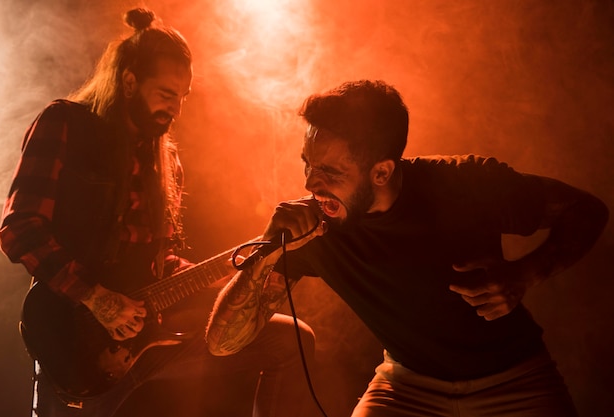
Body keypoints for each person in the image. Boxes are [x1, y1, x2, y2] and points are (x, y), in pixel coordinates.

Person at [206, 79, 609, 417]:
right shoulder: (314, 227)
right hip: (406, 386)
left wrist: (526, 273)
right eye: (307, 165)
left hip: (515, 381)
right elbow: (222, 343)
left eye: (329, 172)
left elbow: (586, 210)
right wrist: (268, 248)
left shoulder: (466, 183)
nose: (312, 184)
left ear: (382, 171)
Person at [0, 8, 315, 417]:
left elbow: (157, 260)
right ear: (129, 82)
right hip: (75, 347)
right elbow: (20, 229)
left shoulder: (166, 162)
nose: (176, 110)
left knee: (291, 342)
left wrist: (236, 272)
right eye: (166, 95)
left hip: (150, 342)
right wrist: (95, 298)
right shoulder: (65, 124)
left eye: (182, 98)